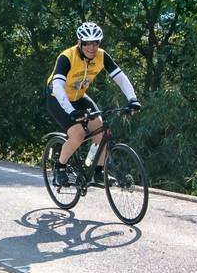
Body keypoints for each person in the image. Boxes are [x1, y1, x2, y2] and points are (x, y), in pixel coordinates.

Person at [45, 21, 140, 188]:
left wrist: (132, 99)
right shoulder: (66, 57)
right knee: (78, 134)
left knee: (101, 130)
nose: (92, 47)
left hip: (80, 97)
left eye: (95, 43)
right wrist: (71, 111)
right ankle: (60, 167)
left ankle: (98, 171)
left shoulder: (101, 56)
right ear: (79, 43)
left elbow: (121, 78)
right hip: (57, 98)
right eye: (87, 43)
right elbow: (58, 87)